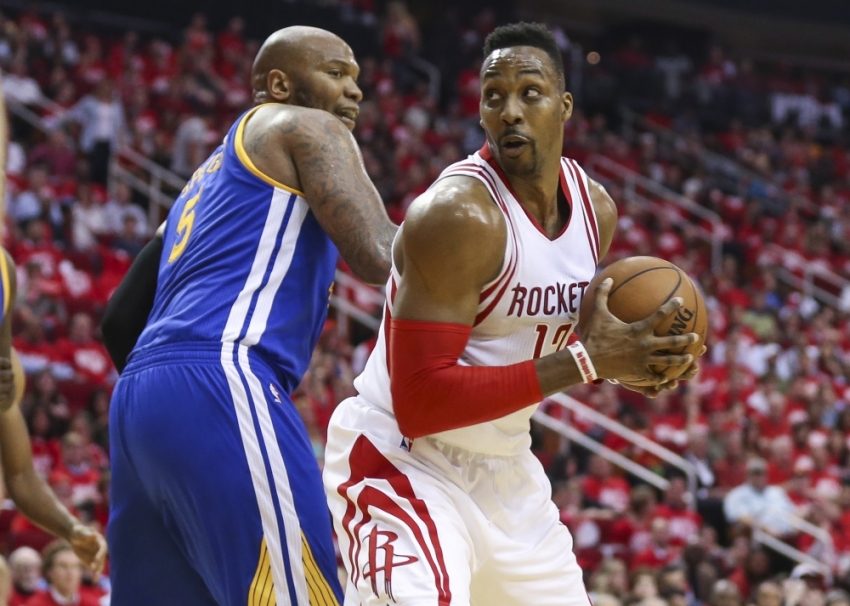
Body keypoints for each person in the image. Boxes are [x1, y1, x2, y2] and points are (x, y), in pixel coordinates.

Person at [323, 22, 702, 605]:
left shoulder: (595, 210)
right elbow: (421, 404)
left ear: (565, 106)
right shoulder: (458, 216)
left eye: (530, 92)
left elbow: (538, 331)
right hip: (402, 458)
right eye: (493, 95)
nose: (510, 110)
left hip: (506, 468)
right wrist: (586, 361)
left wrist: (645, 357)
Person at [104, 26, 396, 605]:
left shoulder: (200, 185)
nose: (354, 92)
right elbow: (380, 256)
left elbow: (117, 319)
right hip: (223, 374)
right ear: (279, 85)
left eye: (357, 79)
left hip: (139, 404)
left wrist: (173, 407)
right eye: (336, 73)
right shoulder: (305, 125)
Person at [22, 540, 100, 606]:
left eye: (75, 566)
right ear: (49, 572)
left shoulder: (92, 603)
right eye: (63, 566)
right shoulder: (35, 604)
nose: (70, 572)